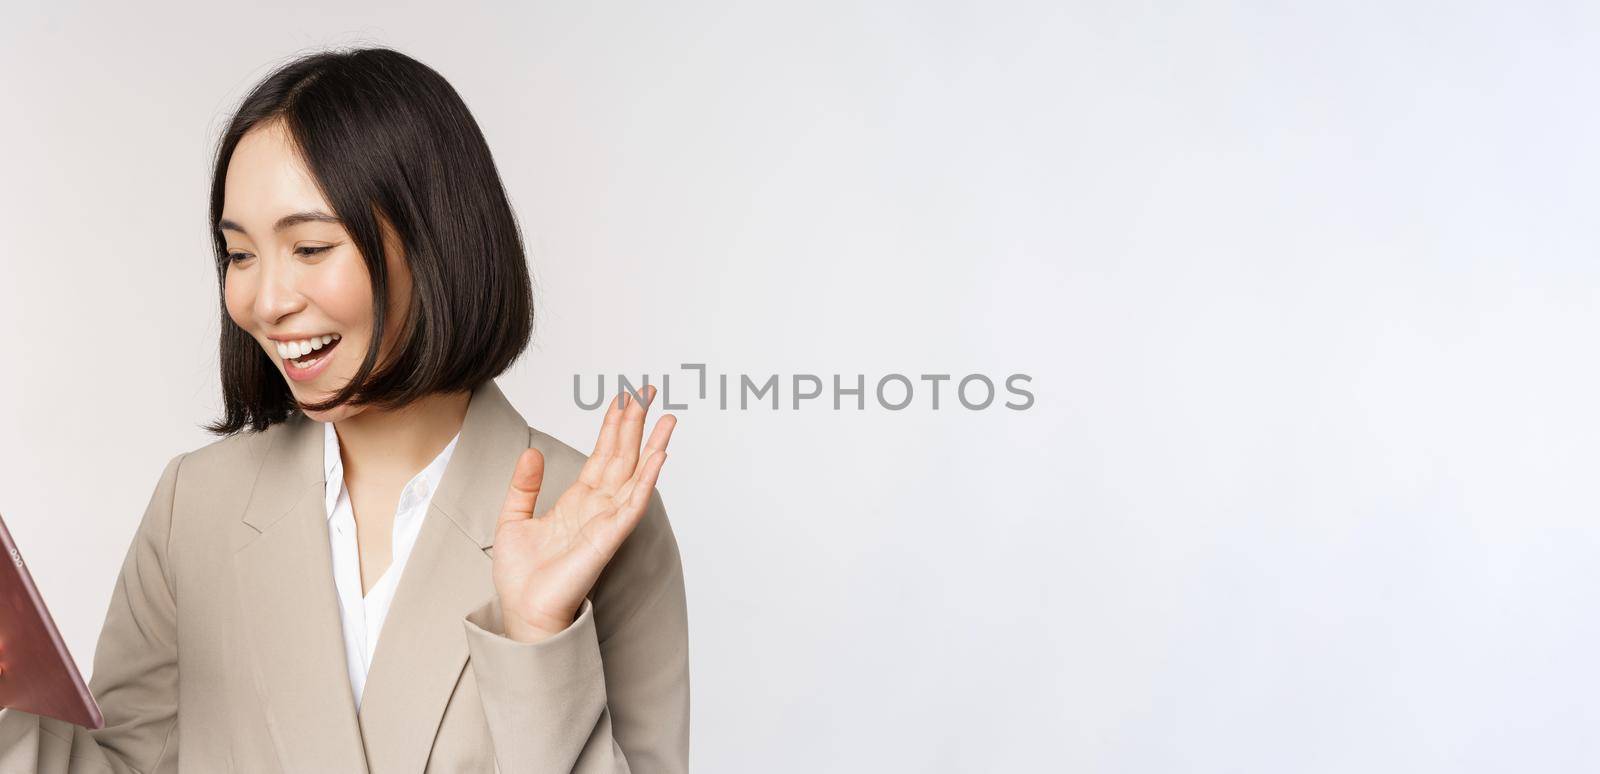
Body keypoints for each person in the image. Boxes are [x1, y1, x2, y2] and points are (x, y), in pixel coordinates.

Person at [0, 46, 689, 772]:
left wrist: (535, 643)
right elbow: (128, 765)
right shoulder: (193, 506)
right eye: (239, 256)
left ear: (432, 244)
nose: (265, 302)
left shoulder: (594, 519)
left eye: (309, 246)